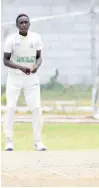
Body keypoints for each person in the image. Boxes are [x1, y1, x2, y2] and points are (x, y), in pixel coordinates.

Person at [3, 14, 46, 151]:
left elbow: (39, 57)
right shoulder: (11, 40)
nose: (23, 24)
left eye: (26, 22)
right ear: (17, 25)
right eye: (21, 23)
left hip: (31, 78)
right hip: (14, 78)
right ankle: (8, 141)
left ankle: (38, 141)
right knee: (10, 108)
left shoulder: (36, 38)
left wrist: (36, 67)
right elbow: (5, 60)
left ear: (29, 24)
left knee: (36, 108)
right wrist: (21, 67)